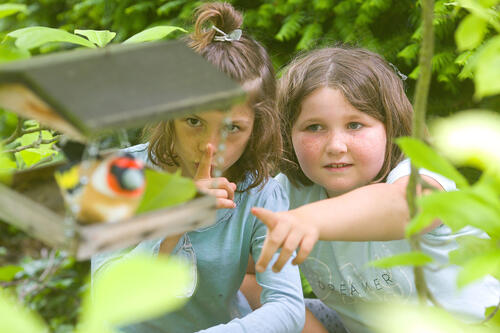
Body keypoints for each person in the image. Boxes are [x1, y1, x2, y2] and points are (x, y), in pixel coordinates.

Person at [246, 46, 500, 333]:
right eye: (314, 127)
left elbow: (405, 209)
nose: (335, 146)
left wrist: (309, 220)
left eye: (355, 125)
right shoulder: (288, 194)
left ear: (390, 129)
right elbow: (242, 272)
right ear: (287, 134)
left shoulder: (419, 174)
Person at [91, 3, 305, 333]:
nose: (211, 146)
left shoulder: (262, 194)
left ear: (257, 128)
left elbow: (288, 306)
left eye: (233, 128)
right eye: (194, 121)